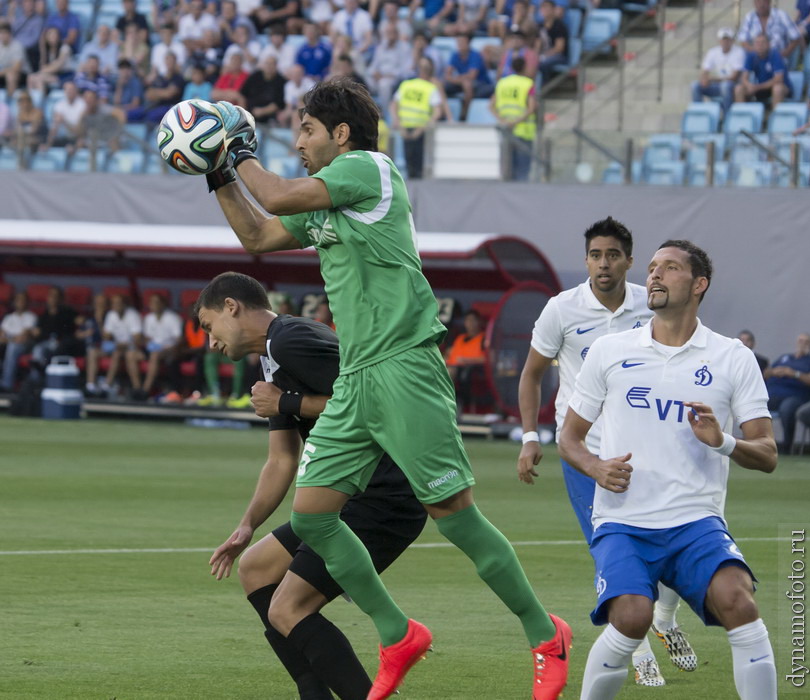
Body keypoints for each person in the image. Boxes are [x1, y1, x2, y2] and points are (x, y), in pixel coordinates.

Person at [203, 78, 571, 699]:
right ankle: (398, 633)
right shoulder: (326, 202)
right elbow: (258, 236)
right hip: (359, 377)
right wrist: (217, 172)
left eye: (307, 130)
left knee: (453, 516)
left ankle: (545, 631)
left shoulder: (368, 170)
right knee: (313, 516)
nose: (297, 142)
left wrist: (234, 149)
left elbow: (277, 194)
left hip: (405, 366)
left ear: (340, 134)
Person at [558, 240, 778, 700]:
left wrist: (723, 441)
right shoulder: (610, 350)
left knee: (739, 600)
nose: (654, 275)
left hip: (696, 522)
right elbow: (569, 439)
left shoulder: (731, 357)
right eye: (653, 267)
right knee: (633, 616)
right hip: (624, 521)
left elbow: (767, 453)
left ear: (699, 284)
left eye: (670, 268)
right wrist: (596, 466)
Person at [200, 271, 427, 699]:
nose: (211, 342)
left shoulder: (290, 340)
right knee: (255, 569)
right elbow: (281, 458)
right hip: (346, 497)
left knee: (288, 607)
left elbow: (376, 396)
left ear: (231, 307)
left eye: (209, 326)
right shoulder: (273, 358)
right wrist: (247, 525)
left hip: (385, 495)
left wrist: (286, 402)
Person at [517, 218, 699, 688]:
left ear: (629, 261)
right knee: (613, 552)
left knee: (679, 535)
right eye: (596, 255)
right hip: (586, 453)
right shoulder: (562, 310)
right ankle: (636, 648)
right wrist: (530, 437)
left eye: (613, 255)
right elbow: (532, 373)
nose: (604, 263)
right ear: (586, 261)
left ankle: (665, 619)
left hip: (647, 445)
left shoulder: (651, 301)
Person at [390, 56, 442, 179]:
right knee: (417, 165)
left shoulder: (407, 85)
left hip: (410, 128)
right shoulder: (430, 88)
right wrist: (423, 127)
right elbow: (437, 112)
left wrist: (398, 122)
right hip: (418, 130)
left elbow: (393, 105)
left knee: (412, 164)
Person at [763, 332, 810, 453]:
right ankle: (756, 443)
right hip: (773, 394)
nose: (802, 344)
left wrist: (794, 373)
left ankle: (787, 446)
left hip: (796, 396)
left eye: (806, 342)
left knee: (787, 408)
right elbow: (765, 374)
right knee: (756, 404)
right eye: (800, 341)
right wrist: (774, 372)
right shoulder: (784, 358)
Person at [85, 292, 142, 397]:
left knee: (117, 353)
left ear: (125, 304)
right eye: (114, 303)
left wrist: (121, 344)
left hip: (130, 347)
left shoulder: (133, 315)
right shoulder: (111, 314)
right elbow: (106, 337)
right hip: (115, 346)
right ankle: (90, 386)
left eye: (118, 303)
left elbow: (137, 339)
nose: (116, 306)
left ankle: (106, 385)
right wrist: (100, 321)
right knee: (92, 352)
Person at [490, 55, 536, 181]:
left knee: (506, 169)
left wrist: (503, 120)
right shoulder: (528, 84)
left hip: (505, 131)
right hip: (523, 131)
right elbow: (531, 108)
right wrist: (516, 121)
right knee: (522, 170)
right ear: (525, 68)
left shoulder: (502, 83)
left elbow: (491, 106)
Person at [138, 293, 183, 399]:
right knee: (131, 355)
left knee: (155, 355)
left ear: (163, 304)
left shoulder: (172, 318)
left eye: (157, 303)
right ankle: (137, 388)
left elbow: (178, 340)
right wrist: (145, 343)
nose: (154, 305)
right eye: (152, 303)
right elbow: (147, 338)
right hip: (152, 348)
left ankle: (145, 390)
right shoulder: (149, 318)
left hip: (168, 349)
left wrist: (167, 348)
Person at [691, 27, 746, 114]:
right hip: (717, 85)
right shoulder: (713, 52)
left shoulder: (738, 52)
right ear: (719, 41)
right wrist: (704, 79)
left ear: (732, 41)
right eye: (723, 40)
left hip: (732, 85)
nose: (725, 42)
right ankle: (698, 115)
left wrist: (712, 79)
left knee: (725, 86)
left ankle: (728, 116)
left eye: (728, 40)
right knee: (695, 86)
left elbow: (734, 77)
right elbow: (704, 70)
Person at [444, 32, 493, 121]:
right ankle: (443, 113)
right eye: (458, 41)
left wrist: (457, 79)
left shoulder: (475, 55)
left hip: (481, 84)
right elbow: (447, 75)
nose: (460, 44)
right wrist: (459, 80)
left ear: (468, 42)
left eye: (462, 41)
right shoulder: (455, 55)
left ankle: (464, 113)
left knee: (467, 84)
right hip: (462, 82)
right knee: (441, 85)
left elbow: (472, 76)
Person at [734, 33, 790, 110]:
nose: (760, 45)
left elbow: (778, 79)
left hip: (780, 87)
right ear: (753, 45)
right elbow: (744, 78)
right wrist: (749, 85)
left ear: (768, 44)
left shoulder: (775, 55)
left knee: (777, 88)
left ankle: (776, 118)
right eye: (757, 43)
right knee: (739, 88)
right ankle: (741, 117)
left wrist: (757, 87)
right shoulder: (751, 56)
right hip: (760, 88)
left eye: (763, 42)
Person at [0, 291, 37, 392]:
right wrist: (9, 339)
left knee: (12, 347)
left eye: (23, 300)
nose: (20, 302)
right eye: (18, 300)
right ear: (14, 302)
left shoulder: (31, 317)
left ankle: (7, 385)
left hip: (24, 346)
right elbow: (1, 335)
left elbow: (23, 338)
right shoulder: (9, 317)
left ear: (27, 302)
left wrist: (8, 339)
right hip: (8, 344)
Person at [241, 54, 286, 125]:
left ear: (276, 66)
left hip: (270, 117)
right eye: (267, 63)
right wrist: (243, 112)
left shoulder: (281, 81)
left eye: (272, 64)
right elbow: (242, 94)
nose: (269, 66)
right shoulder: (254, 76)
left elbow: (279, 104)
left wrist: (261, 111)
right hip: (249, 113)